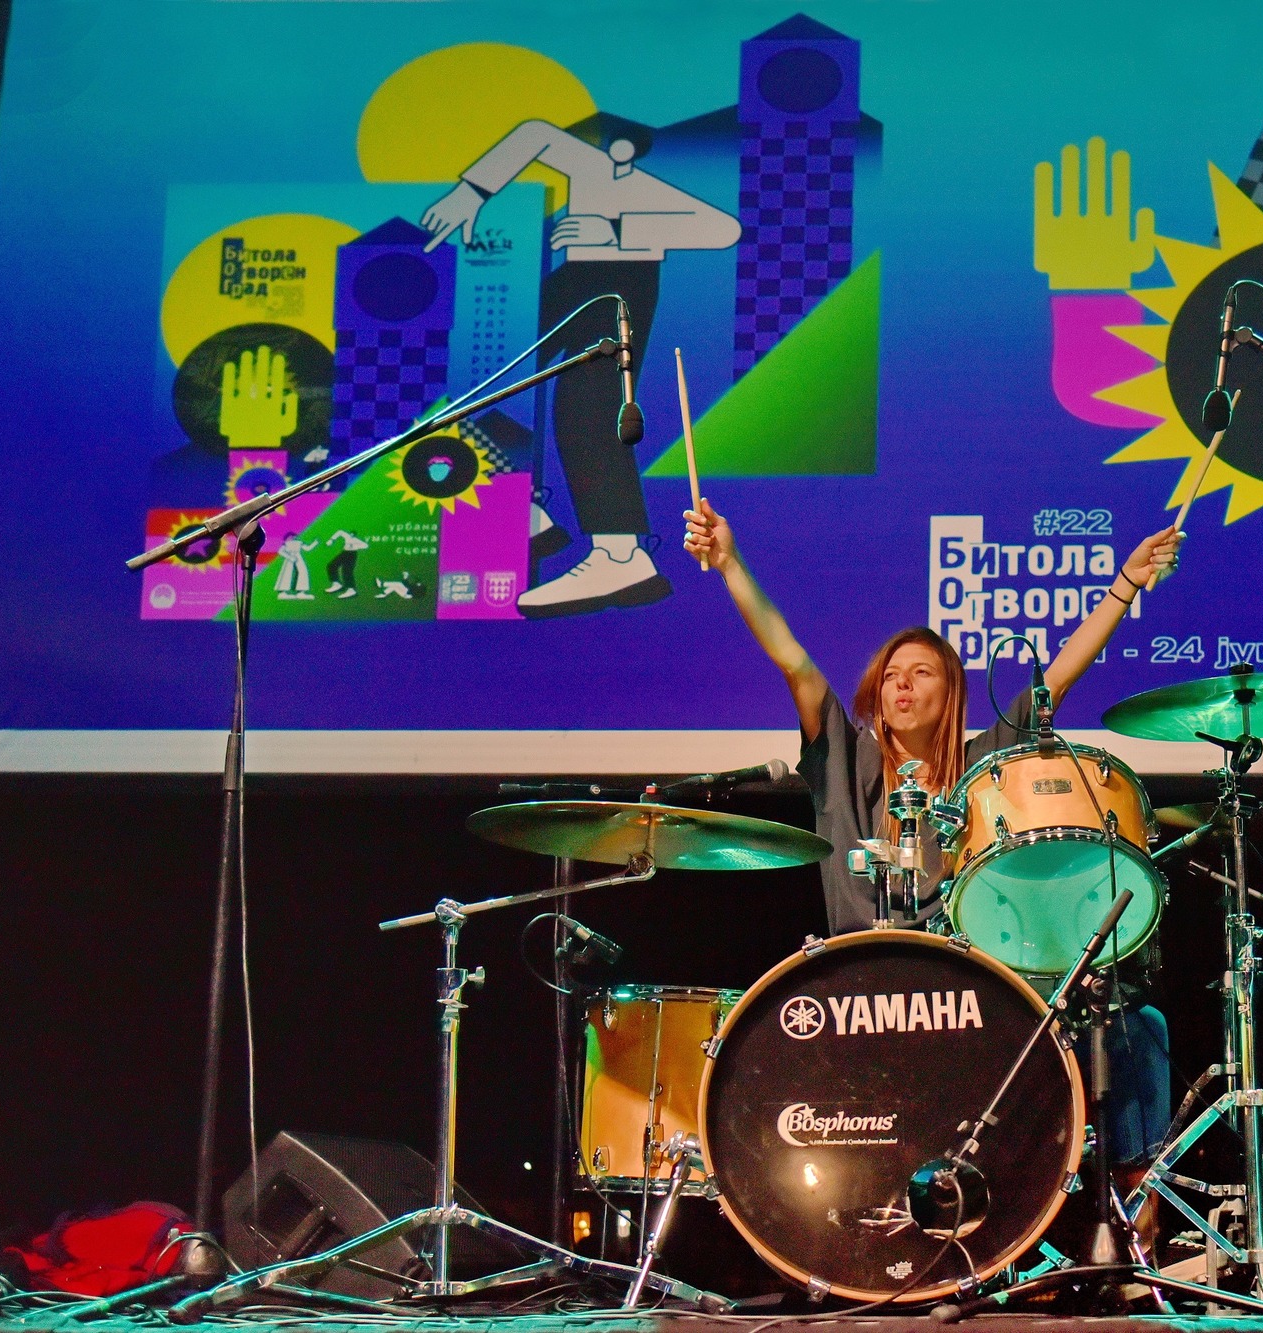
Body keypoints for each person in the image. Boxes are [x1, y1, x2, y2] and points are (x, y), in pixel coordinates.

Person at [682, 495, 1182, 1224]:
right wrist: (729, 564)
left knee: (1135, 1023)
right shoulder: (843, 760)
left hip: (961, 991)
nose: (902, 684)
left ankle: (1136, 1212)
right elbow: (791, 658)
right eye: (891, 675)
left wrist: (1125, 584)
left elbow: (1057, 680)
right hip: (860, 989)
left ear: (952, 695)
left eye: (921, 673)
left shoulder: (984, 765)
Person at [423, 122, 741, 618]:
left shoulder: (645, 188)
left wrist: (615, 231)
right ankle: (518, 506)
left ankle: (620, 557)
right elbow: (533, 135)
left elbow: (723, 229)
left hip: (623, 279)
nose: (607, 153)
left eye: (619, 145)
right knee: (484, 376)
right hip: (575, 275)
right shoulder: (588, 166)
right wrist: (472, 192)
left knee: (587, 409)